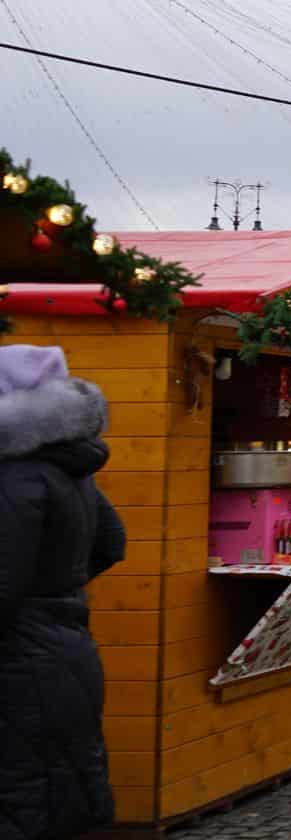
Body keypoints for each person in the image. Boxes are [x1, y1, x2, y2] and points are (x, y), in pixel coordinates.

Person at [0, 345, 126, 839]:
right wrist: (58, 593)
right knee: (67, 781)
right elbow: (111, 543)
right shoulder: (68, 472)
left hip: (18, 659)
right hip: (66, 645)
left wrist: (36, 599)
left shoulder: (13, 475)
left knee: (21, 790)